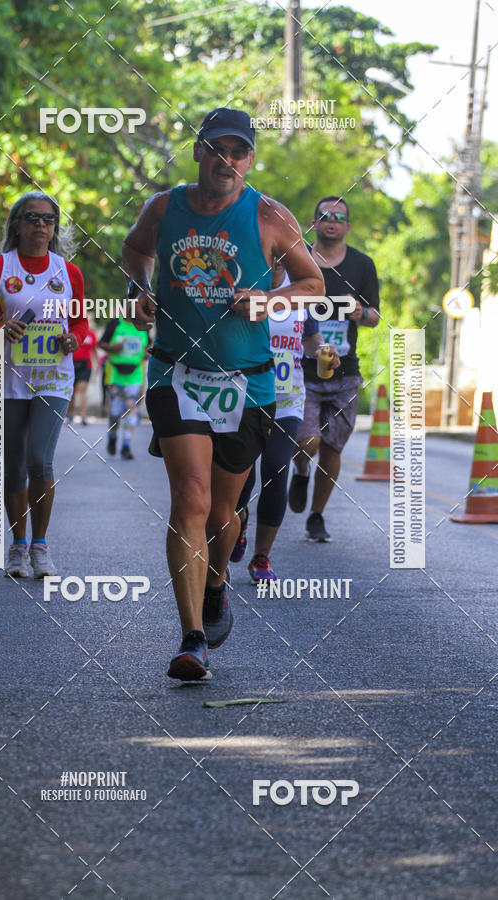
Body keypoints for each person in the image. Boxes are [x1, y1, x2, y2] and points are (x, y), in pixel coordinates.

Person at [122, 107, 324, 681]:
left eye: (238, 153)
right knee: (189, 495)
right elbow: (135, 251)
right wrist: (139, 288)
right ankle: (190, 641)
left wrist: (270, 301)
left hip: (248, 381)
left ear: (249, 161)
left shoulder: (267, 216)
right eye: (217, 149)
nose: (226, 161)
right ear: (198, 152)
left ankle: (216, 582)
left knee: (221, 511)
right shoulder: (163, 208)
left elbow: (313, 283)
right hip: (176, 372)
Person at [0, 191, 88, 578]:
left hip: (54, 379)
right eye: (32, 217)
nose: (41, 225)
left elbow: (80, 322)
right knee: (14, 466)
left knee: (39, 459)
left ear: (55, 227)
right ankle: (17, 546)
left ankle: (40, 546)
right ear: (17, 224)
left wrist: (74, 339)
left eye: (49, 219)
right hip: (9, 379)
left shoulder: (69, 273)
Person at [232, 276, 340, 581]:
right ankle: (237, 523)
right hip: (245, 396)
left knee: (277, 469)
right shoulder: (248, 276)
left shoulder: (302, 286)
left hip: (287, 398)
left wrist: (323, 350)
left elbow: (311, 339)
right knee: (240, 475)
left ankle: (261, 557)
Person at [288, 196, 380, 541]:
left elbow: (375, 316)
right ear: (314, 223)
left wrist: (360, 313)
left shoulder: (362, 265)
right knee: (307, 441)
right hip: (301, 368)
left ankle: (316, 515)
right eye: (325, 215)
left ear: (347, 226)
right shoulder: (296, 259)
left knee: (332, 448)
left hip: (345, 373)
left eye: (339, 217)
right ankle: (300, 470)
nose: (332, 221)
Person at [98, 316, 150, 459]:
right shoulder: (115, 324)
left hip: (135, 375)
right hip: (115, 374)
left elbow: (149, 347)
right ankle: (113, 437)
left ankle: (126, 445)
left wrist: (148, 353)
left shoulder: (143, 325)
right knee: (115, 412)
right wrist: (113, 348)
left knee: (131, 410)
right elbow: (101, 343)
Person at [66, 328, 99, 425]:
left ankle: (83, 416)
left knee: (82, 391)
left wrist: (98, 364)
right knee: (72, 392)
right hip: (71, 365)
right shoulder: (70, 331)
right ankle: (70, 414)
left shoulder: (91, 334)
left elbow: (94, 350)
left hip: (86, 366)